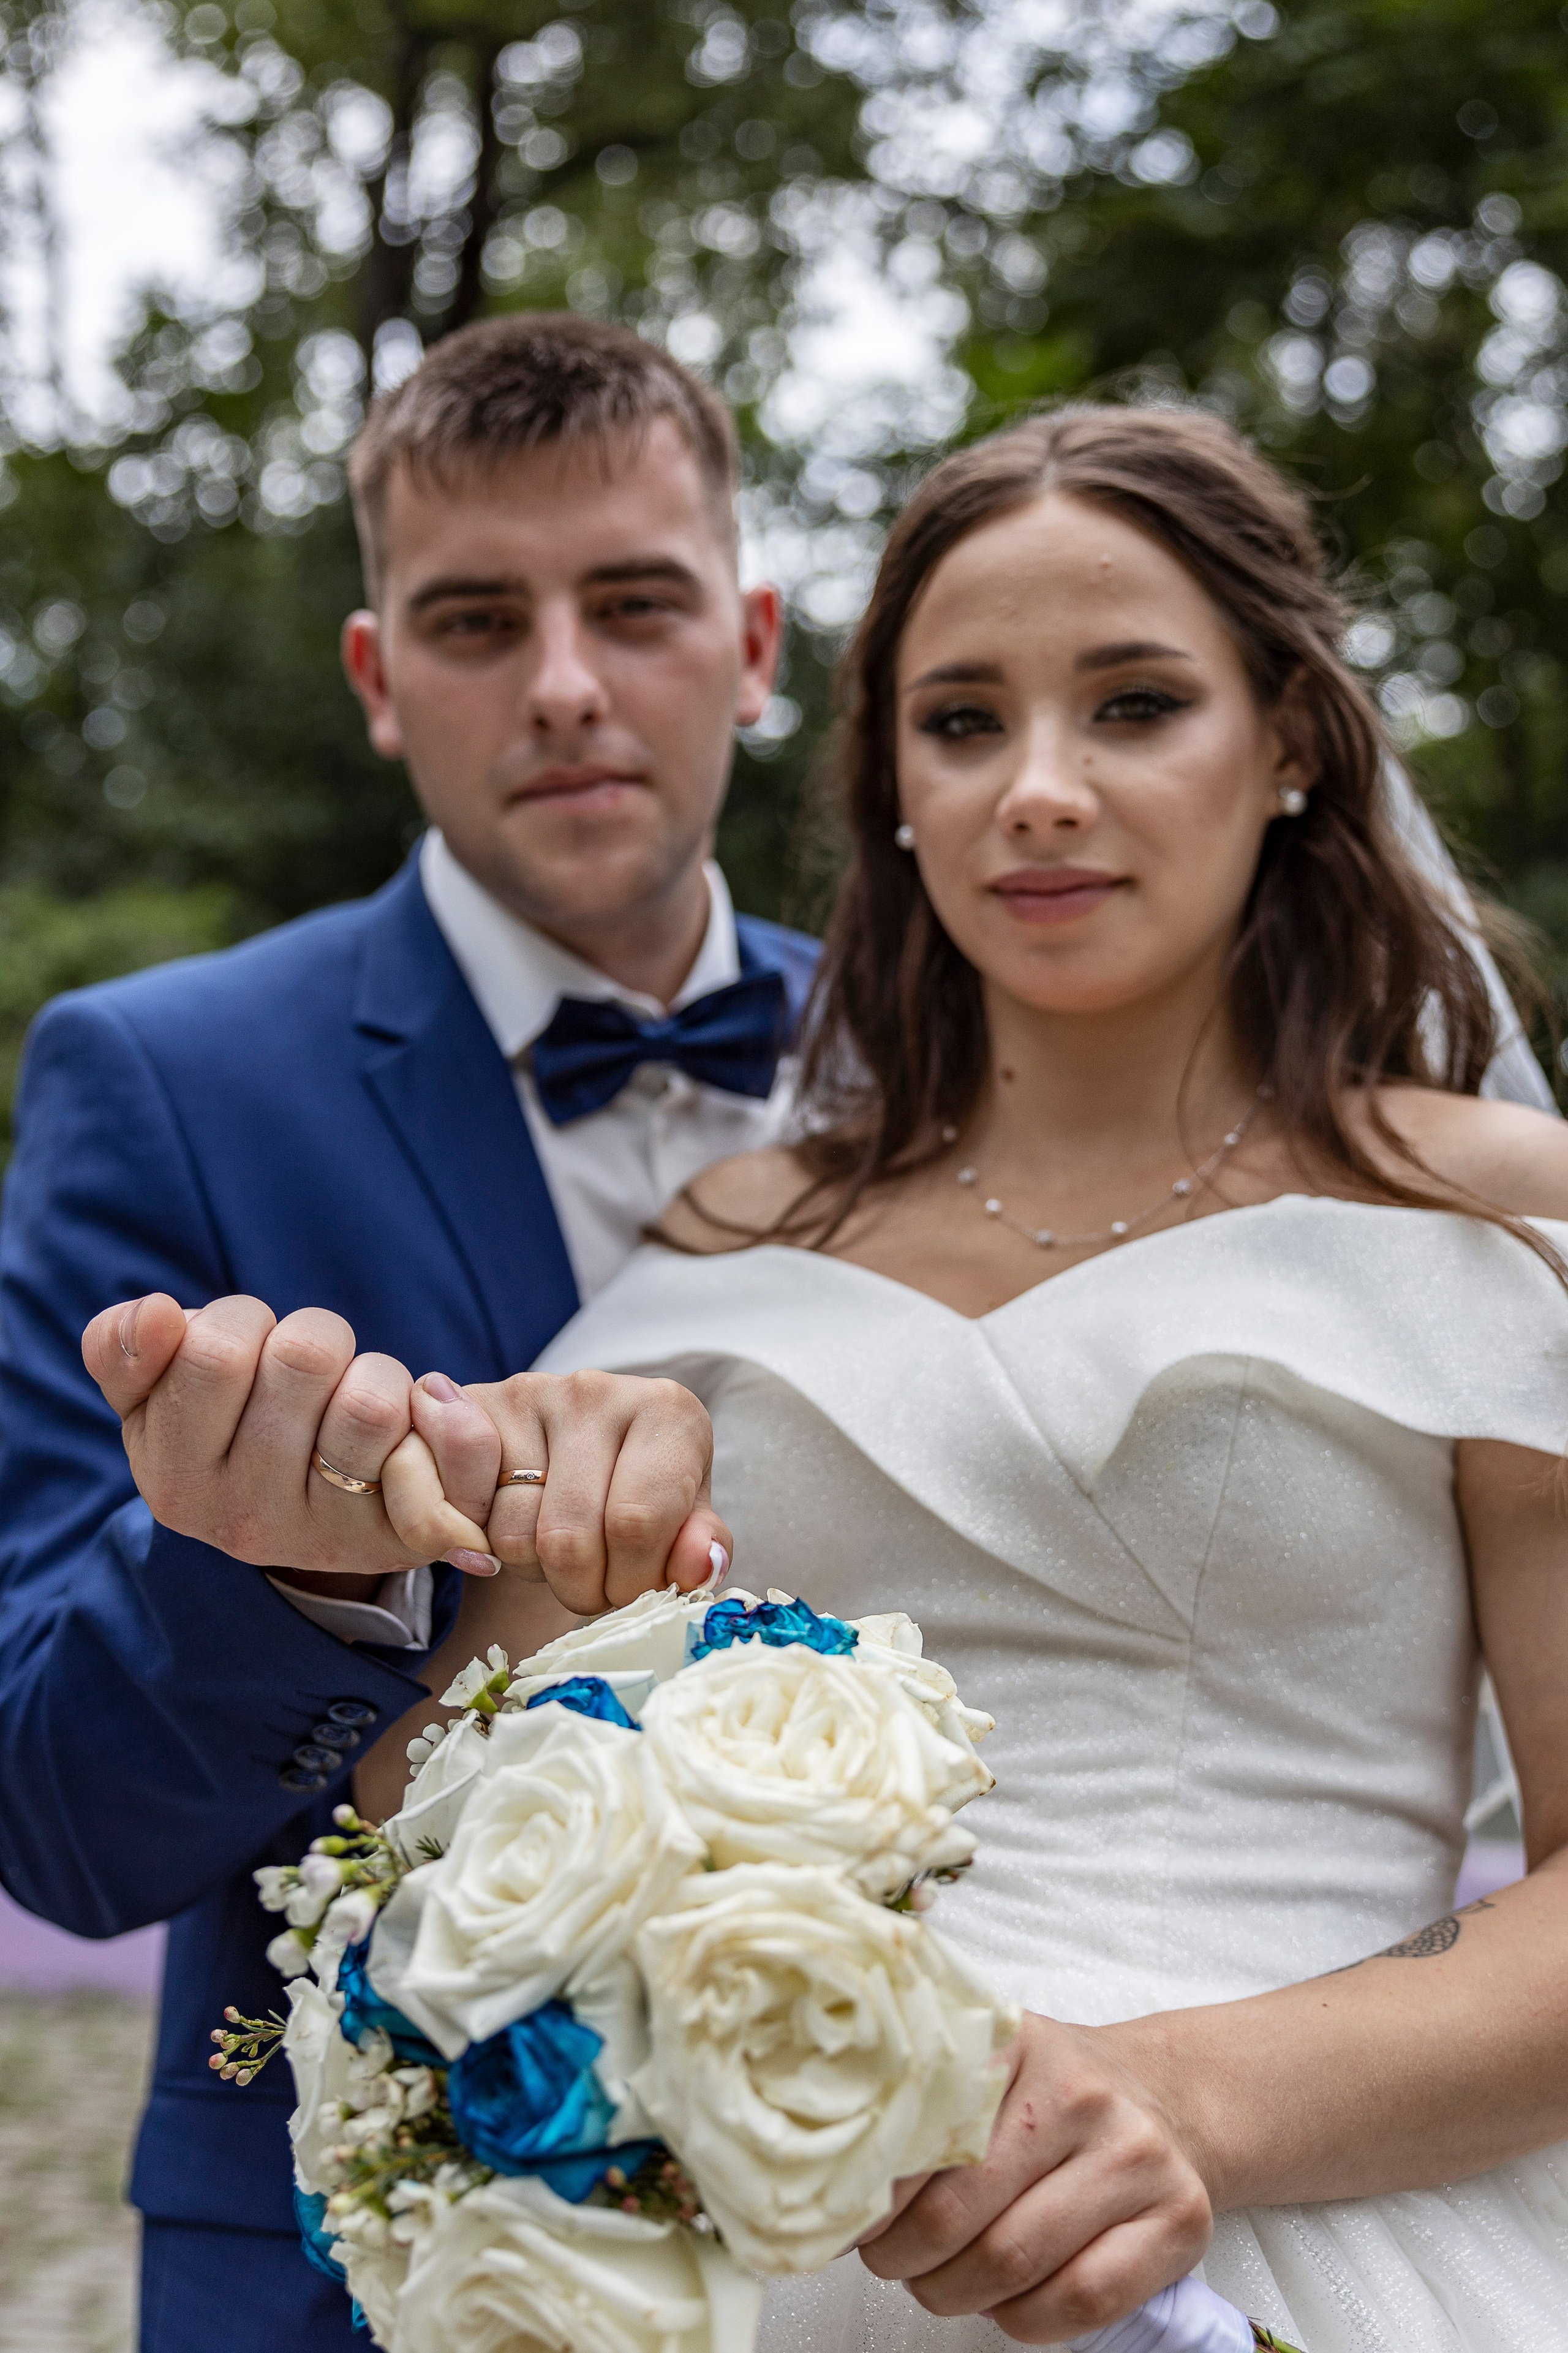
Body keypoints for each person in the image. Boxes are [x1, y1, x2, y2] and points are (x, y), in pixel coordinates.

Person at [494, 403, 1568, 2349]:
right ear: (892, 776)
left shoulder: (1505, 1226)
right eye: (966, 721)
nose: (1039, 791)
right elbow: (451, 1771)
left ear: (1295, 745)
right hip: (744, 2278)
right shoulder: (730, 1233)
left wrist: (1185, 2099)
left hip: (1277, 2242)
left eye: (1137, 705)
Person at [0, 313, 815, 2351]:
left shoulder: (964, 1058)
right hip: (337, 2266)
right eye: (475, 621)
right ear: (378, 679)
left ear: (757, 640)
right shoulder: (158, 1076)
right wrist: (284, 1573)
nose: (563, 685)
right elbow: (48, 1809)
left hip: (900, 2236)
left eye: (635, 603)